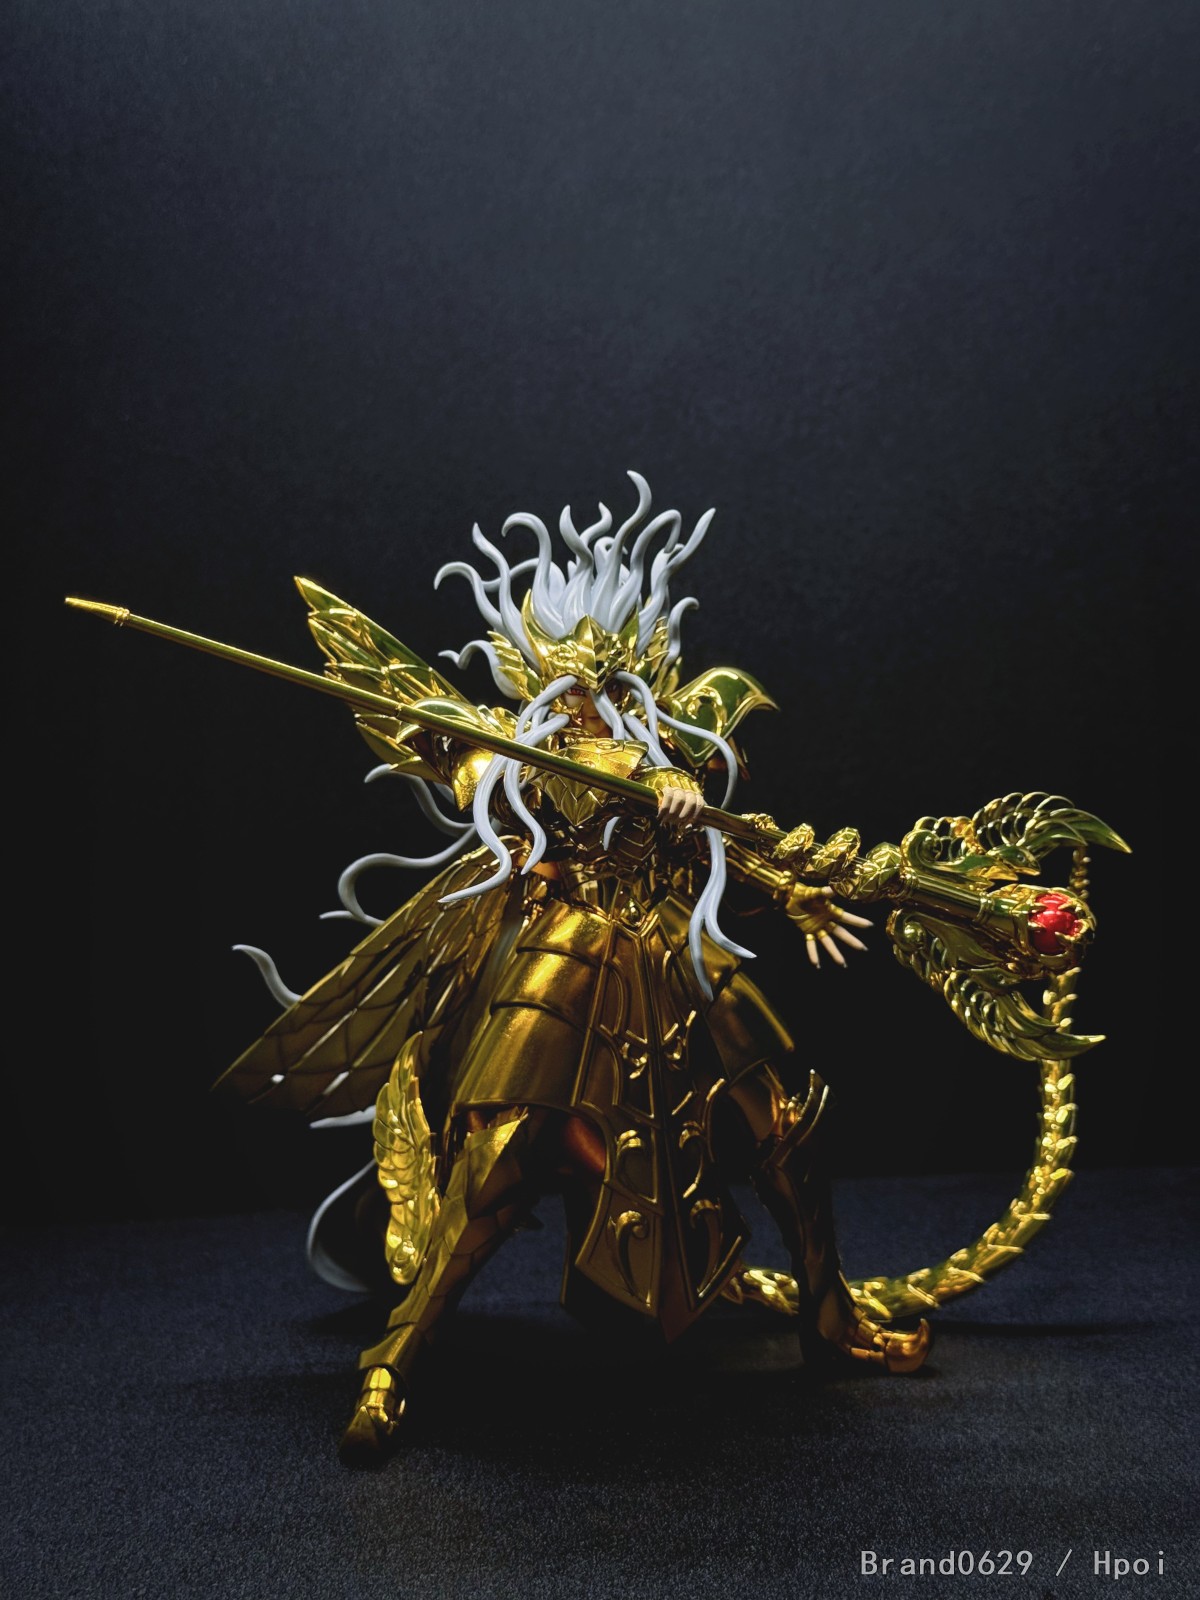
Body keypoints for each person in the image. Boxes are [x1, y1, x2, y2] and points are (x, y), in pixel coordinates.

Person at [219, 473, 929, 1467]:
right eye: (572, 679)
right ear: (538, 671)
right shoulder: (516, 752)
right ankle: (393, 1361)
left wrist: (765, 870)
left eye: (607, 678)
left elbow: (723, 855)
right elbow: (478, 787)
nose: (590, 697)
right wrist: (464, 753)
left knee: (787, 1120)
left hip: (673, 947)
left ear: (637, 667)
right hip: (564, 952)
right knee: (499, 1157)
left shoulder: (673, 751)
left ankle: (829, 1319)